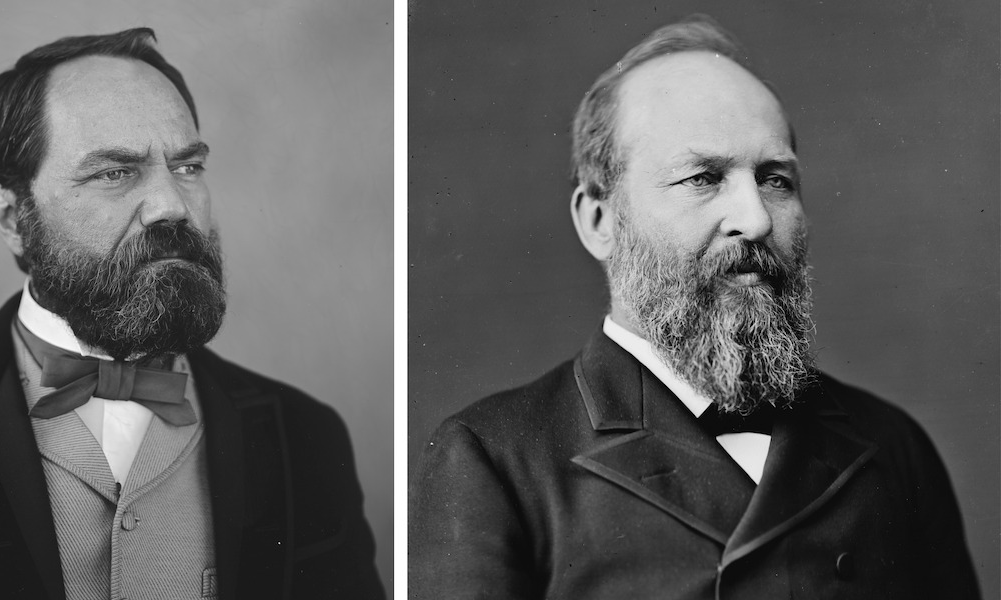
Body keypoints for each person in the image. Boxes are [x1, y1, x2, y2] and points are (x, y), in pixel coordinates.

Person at [0, 28, 384, 600]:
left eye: (187, 167)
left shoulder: (306, 434)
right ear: (11, 218)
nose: (171, 207)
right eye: (114, 172)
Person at [410, 15, 979, 600]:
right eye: (703, 178)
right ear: (599, 221)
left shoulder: (892, 444)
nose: (755, 219)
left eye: (775, 180)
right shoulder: (494, 457)